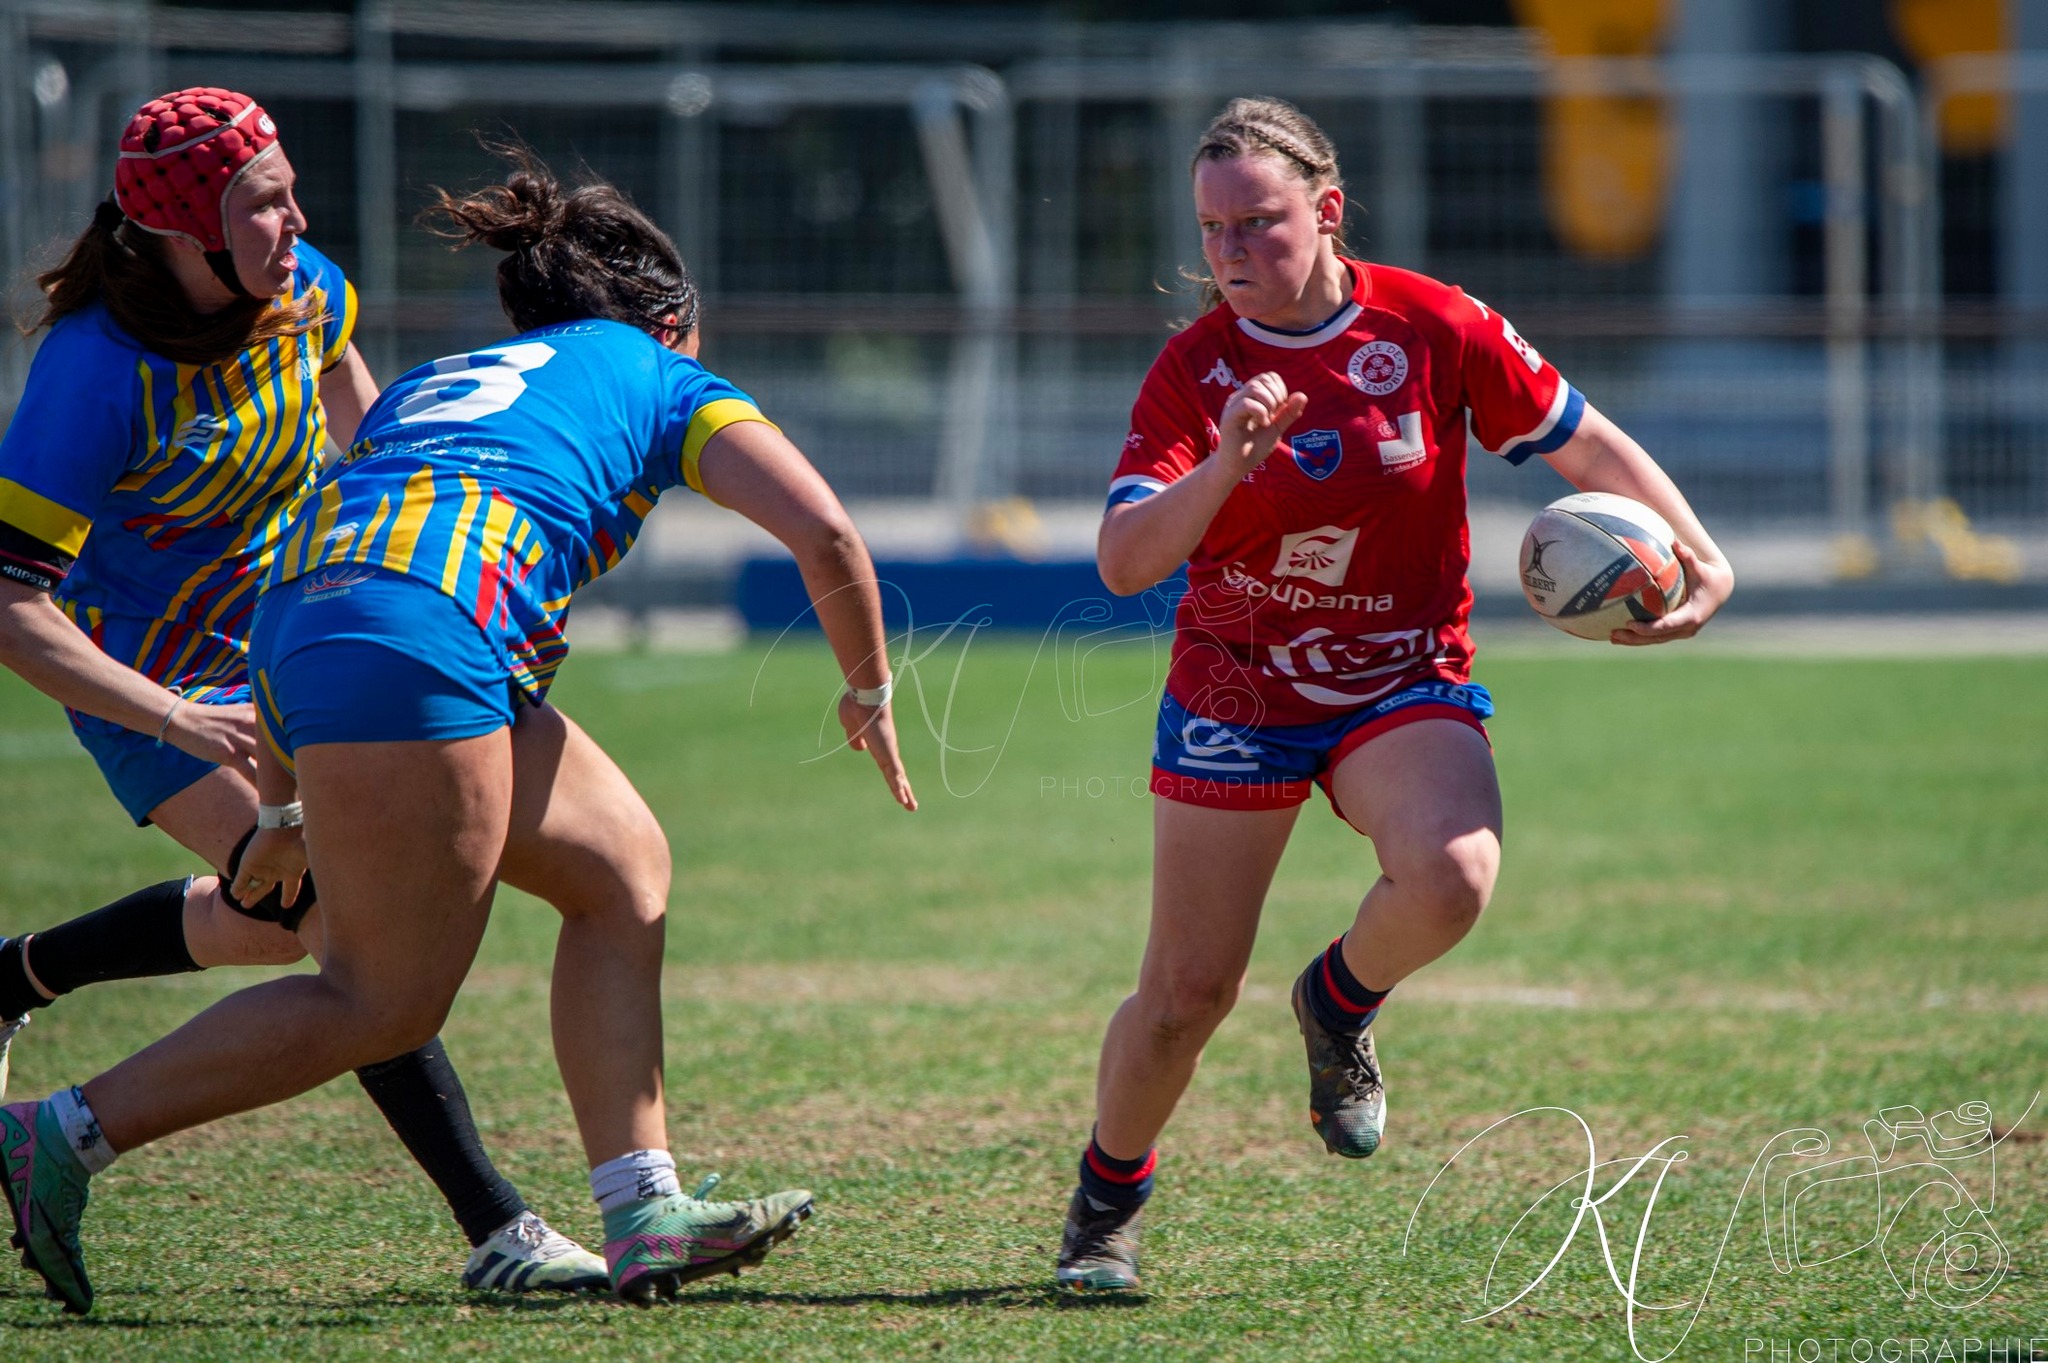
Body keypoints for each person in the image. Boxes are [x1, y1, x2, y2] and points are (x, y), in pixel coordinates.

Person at [1, 148, 917, 1315]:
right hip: (411, 639)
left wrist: (282, 807)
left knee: (620, 868)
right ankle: (60, 1137)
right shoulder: (660, 372)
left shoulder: (461, 372)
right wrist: (867, 693)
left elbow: (328, 565)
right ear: (674, 319)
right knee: (376, 999)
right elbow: (829, 534)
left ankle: (645, 1213)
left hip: (300, 626)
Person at [1054, 97, 1735, 1291]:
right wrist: (1225, 465)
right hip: (1237, 689)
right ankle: (1104, 1204)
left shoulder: (1430, 324)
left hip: (1398, 676)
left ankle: (1336, 999)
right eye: (1210, 229)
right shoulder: (1195, 369)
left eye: (1256, 224)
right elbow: (1123, 564)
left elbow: (1583, 444)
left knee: (1454, 872)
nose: (1228, 254)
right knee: (1183, 995)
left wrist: (1699, 549)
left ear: (1324, 213)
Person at [0, 88, 607, 1296]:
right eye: (262, 202)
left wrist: (433, 575)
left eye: (287, 190)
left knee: (281, 912)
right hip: (153, 688)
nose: (297, 218)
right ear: (180, 235)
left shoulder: (307, 290)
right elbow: (9, 606)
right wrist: (175, 716)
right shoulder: (88, 376)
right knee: (343, 925)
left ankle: (16, 973)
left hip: (297, 646)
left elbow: (372, 443)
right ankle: (497, 1226)